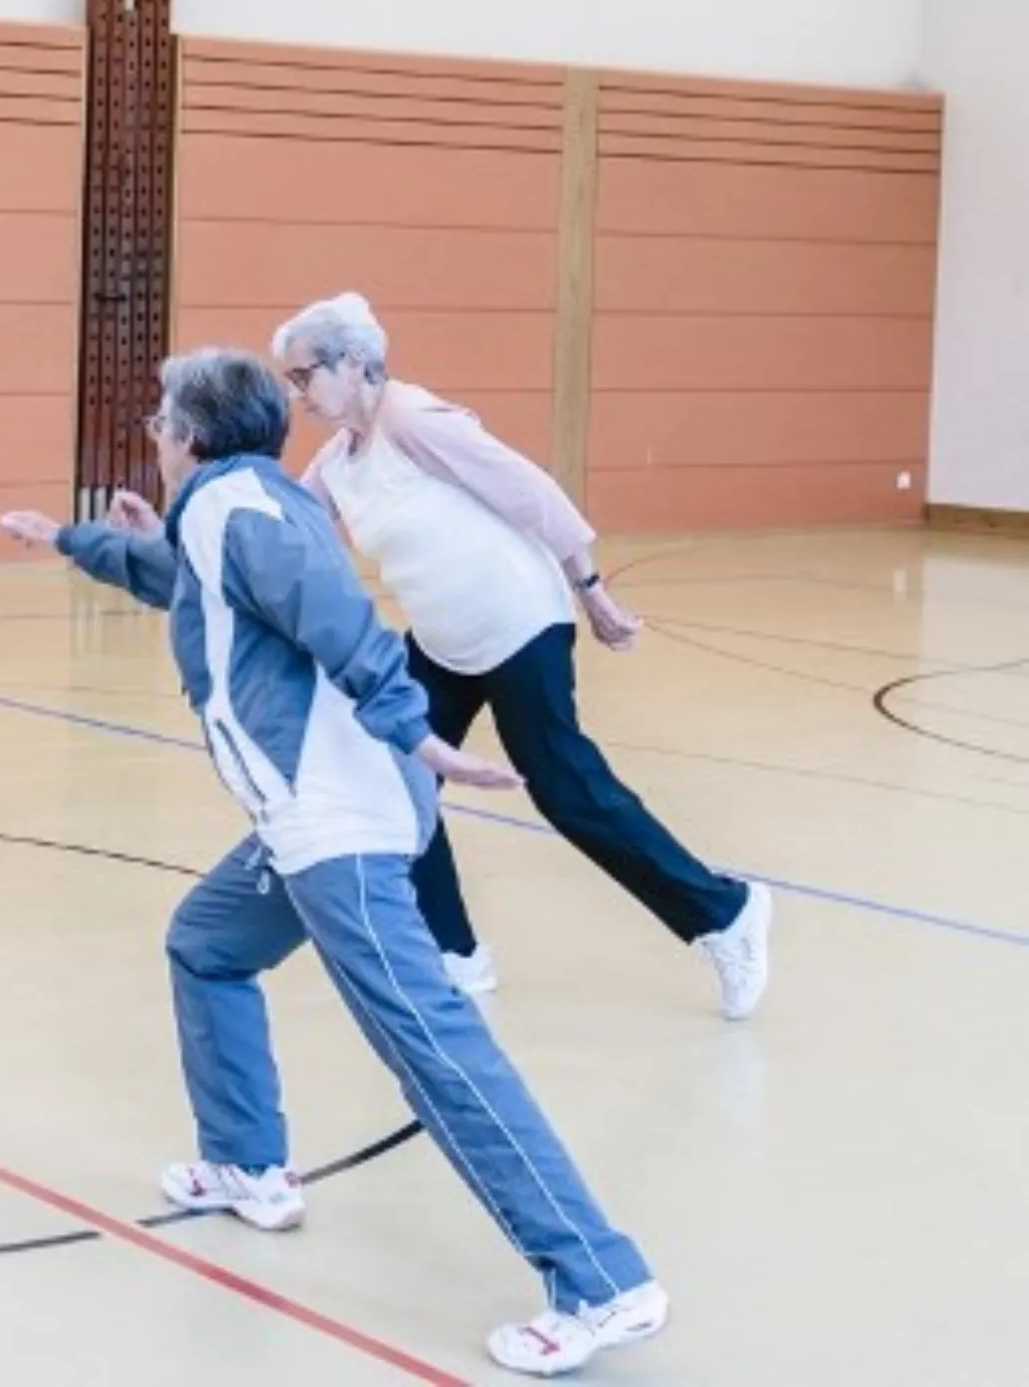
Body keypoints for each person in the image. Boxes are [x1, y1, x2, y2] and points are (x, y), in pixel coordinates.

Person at [0, 348, 669, 1380]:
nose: (154, 435)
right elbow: (186, 581)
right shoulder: (242, 503)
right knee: (208, 943)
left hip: (337, 817)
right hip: (314, 811)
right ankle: (248, 1161)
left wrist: (419, 731)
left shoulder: (240, 512)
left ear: (190, 437)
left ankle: (601, 1277)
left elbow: (333, 612)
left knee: (431, 1043)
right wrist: (72, 539)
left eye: (161, 422)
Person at [269, 292, 770, 1016]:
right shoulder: (339, 459)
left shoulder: (414, 421)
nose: (297, 395)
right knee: (397, 781)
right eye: (289, 381)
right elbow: (282, 528)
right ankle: (455, 954)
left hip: (520, 624)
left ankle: (726, 913)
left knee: (566, 790)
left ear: (351, 361)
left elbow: (532, 494)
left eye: (303, 376)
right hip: (443, 643)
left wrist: (592, 591)